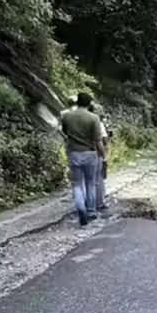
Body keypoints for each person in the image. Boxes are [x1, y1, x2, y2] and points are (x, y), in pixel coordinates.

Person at [61, 93, 104, 226]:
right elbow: (98, 140)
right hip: (90, 153)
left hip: (74, 153)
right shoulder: (93, 118)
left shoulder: (66, 116)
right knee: (90, 183)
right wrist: (103, 155)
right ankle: (91, 211)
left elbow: (65, 132)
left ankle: (80, 208)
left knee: (77, 184)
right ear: (89, 103)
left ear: (78, 102)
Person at [89, 103, 109, 211]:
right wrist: (105, 155)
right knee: (98, 179)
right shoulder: (98, 123)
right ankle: (99, 203)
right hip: (95, 153)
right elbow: (103, 140)